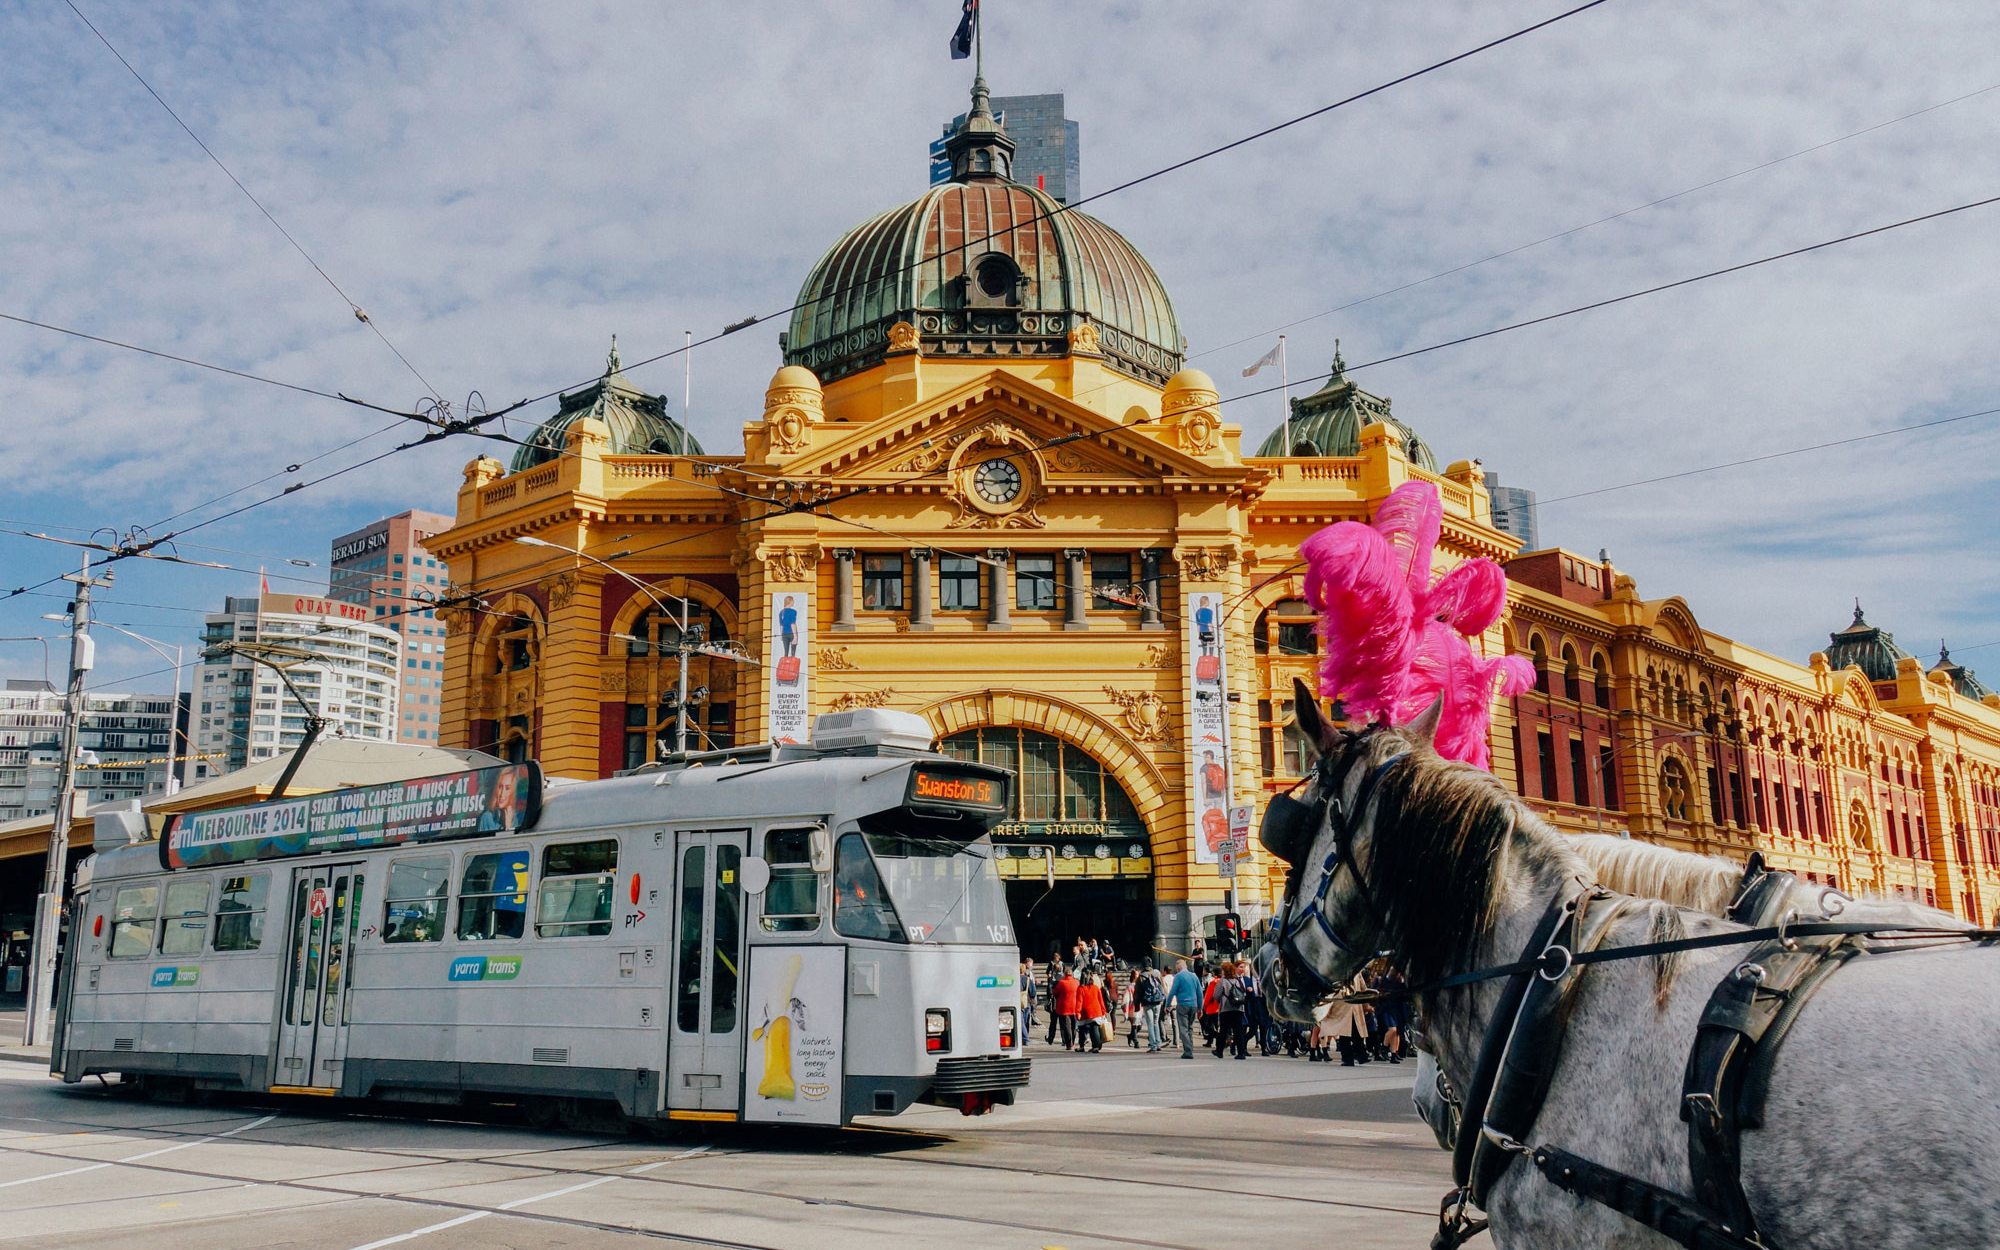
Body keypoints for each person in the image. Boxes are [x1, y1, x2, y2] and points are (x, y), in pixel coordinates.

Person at [1166, 958, 1203, 1059]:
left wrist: (1167, 1005)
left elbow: (1172, 992)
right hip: (1193, 1005)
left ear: (1178, 968)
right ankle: (1190, 1048)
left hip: (1182, 1004)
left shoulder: (1178, 977)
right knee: (1190, 1028)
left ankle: (1188, 1051)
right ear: (1186, 967)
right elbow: (1200, 993)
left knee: (1183, 1029)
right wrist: (1200, 1008)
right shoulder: (1194, 976)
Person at [1214, 961, 1249, 1059]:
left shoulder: (1222, 981)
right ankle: (1241, 1052)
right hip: (1238, 1009)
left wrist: (1221, 1000)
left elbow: (1216, 995)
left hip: (1226, 1009)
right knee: (1238, 1031)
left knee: (1223, 1031)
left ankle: (1219, 1051)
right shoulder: (1236, 981)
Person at [1074, 971, 1108, 1053]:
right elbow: (1100, 1000)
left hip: (1085, 1012)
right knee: (1094, 1029)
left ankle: (1081, 1046)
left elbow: (1079, 1002)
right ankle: (1096, 1046)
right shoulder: (1096, 988)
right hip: (1096, 1011)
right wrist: (1103, 1010)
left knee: (1081, 1029)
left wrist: (1077, 1012)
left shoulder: (1081, 988)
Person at [1136, 960, 1165, 1052]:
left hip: (1147, 1002)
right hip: (1158, 1001)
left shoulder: (1142, 977)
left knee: (1150, 1024)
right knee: (1156, 1023)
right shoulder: (1156, 974)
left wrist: (1137, 1004)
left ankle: (1153, 1045)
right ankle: (1158, 1042)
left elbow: (1138, 993)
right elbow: (1162, 987)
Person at [1052, 964, 1080, 1051]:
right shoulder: (1076, 982)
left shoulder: (1062, 983)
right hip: (1074, 1006)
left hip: (1064, 1007)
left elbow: (1055, 993)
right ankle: (1073, 1042)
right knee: (1073, 1026)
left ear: (1064, 974)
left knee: (1066, 1026)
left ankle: (1069, 1044)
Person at [1200, 964, 1222, 1047]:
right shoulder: (1224, 981)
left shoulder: (1214, 982)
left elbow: (1208, 996)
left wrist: (1204, 1006)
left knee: (1209, 1025)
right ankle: (1211, 1041)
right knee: (1217, 1025)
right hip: (1222, 1007)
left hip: (1212, 1007)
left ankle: (1217, 1038)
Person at [1019, 958, 1037, 1038]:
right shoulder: (1027, 979)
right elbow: (1033, 991)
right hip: (1027, 1000)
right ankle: (1026, 1036)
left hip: (1018, 1001)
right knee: (1026, 1020)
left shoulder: (1016, 979)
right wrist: (1032, 998)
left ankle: (1024, 1036)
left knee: (1021, 1020)